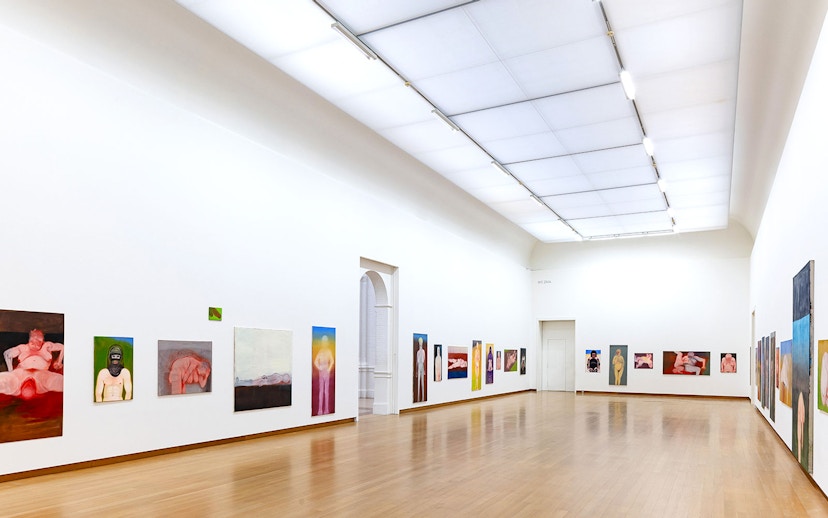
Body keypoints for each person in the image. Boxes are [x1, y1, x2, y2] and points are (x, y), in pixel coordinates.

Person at [0, 329, 64, 399]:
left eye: (39, 341)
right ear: (29, 340)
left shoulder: (47, 346)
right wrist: (11, 371)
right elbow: (7, 354)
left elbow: (63, 347)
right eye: (33, 341)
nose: (35, 344)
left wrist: (58, 361)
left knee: (64, 383)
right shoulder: (23, 348)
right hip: (21, 373)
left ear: (42, 340)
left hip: (41, 374)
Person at [314, 335, 335, 414]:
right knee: (321, 391)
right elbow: (315, 361)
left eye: (325, 341)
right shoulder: (321, 351)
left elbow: (332, 361)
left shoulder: (328, 351)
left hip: (326, 372)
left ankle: (326, 409)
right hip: (321, 371)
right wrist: (319, 367)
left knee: (326, 391)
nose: (324, 343)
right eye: (323, 341)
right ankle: (320, 410)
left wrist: (329, 369)